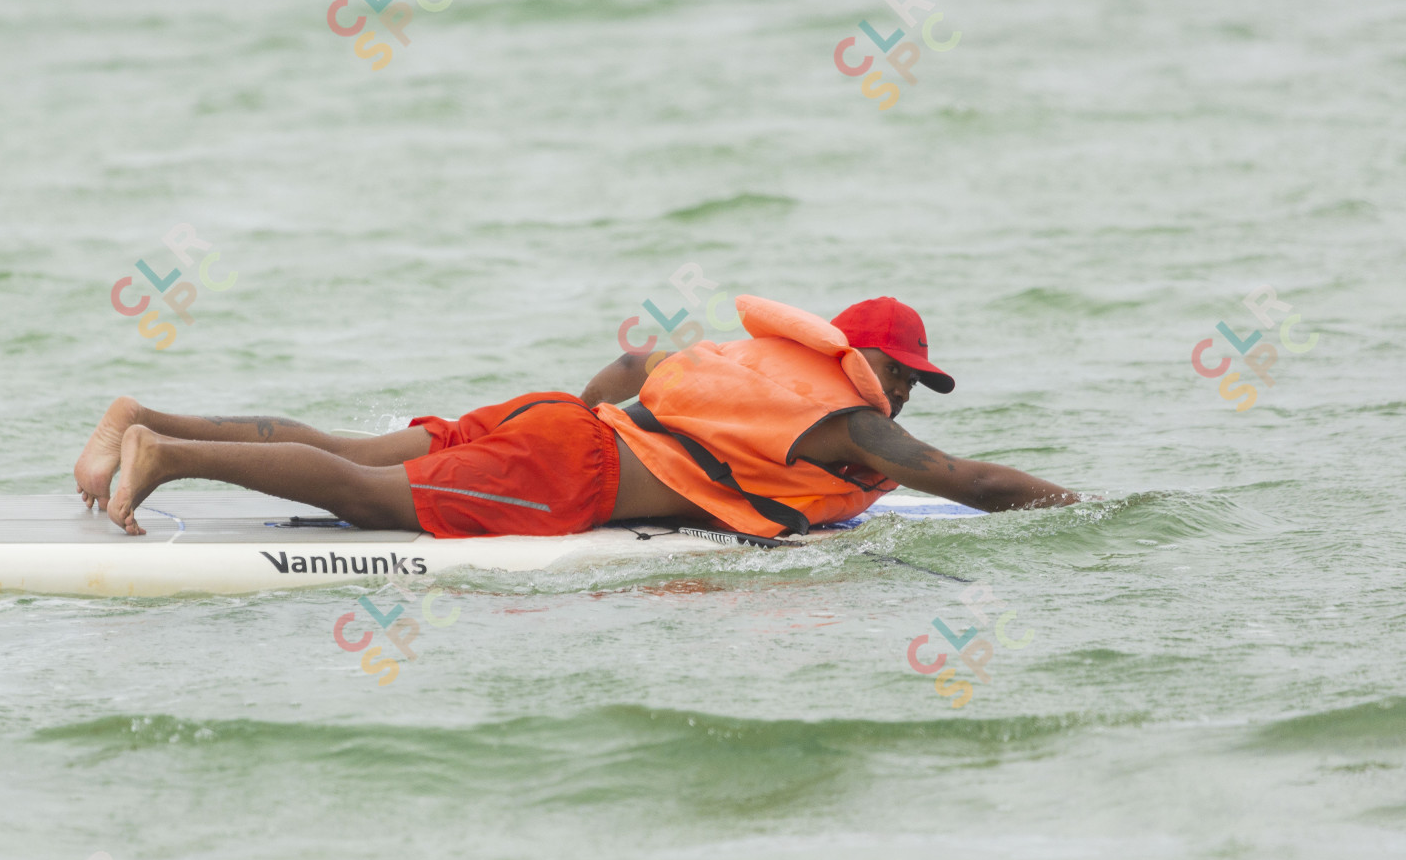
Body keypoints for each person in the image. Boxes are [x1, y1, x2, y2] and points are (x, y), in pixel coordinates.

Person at [73, 295, 1078, 538]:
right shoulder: (855, 427)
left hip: (558, 421)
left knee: (348, 445)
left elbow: (636, 361)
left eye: (914, 384)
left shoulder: (756, 367)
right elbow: (972, 482)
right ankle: (166, 456)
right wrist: (1087, 511)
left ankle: (140, 414)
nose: (902, 394)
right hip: (568, 469)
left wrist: (589, 424)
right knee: (370, 495)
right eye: (901, 376)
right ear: (864, 364)